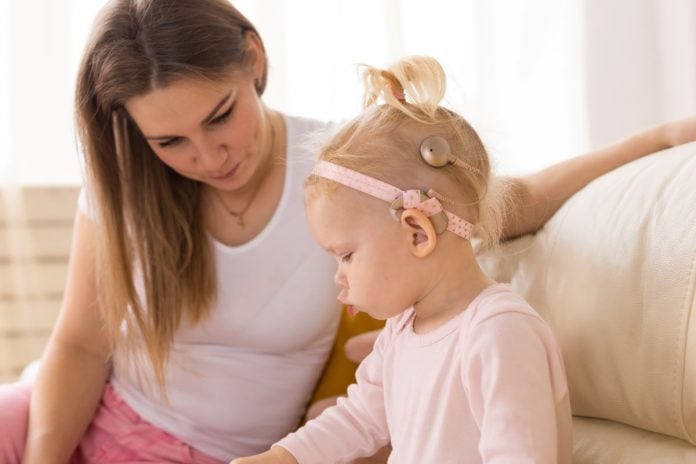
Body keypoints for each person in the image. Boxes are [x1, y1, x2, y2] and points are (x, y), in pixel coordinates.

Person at [0, 0, 694, 463]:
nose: (208, 158)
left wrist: (658, 137)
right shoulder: (131, 187)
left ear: (254, 60)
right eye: (170, 141)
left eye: (219, 116)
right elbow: (80, 345)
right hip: (72, 417)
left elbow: (502, 199)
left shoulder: (346, 177)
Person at [230, 55, 572, 464]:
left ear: (417, 232)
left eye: (346, 255)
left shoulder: (498, 332)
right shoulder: (401, 332)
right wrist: (282, 457)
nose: (339, 278)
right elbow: (358, 419)